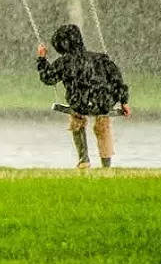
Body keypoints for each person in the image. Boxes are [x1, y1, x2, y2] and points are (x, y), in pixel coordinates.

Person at [36, 24, 130, 169]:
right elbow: (117, 79)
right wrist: (124, 102)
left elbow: (48, 78)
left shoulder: (64, 62)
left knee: (77, 119)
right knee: (103, 125)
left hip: (80, 102)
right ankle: (106, 164)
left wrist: (42, 59)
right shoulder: (100, 58)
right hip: (103, 103)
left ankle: (84, 159)